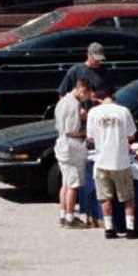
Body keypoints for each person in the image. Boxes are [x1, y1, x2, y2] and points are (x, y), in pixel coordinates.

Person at [85, 85, 138, 239]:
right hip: (120, 161)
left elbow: (90, 137)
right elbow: (131, 135)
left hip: (101, 160)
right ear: (112, 96)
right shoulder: (123, 111)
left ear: (98, 98)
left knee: (105, 197)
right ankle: (130, 228)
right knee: (127, 197)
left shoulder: (93, 113)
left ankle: (109, 228)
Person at [54, 77, 93, 228]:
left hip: (62, 145)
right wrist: (85, 132)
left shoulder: (62, 101)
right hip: (71, 147)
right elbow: (71, 131)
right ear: (83, 90)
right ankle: (70, 217)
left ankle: (63, 214)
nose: (87, 99)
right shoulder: (73, 104)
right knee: (73, 184)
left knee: (65, 182)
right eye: (88, 95)